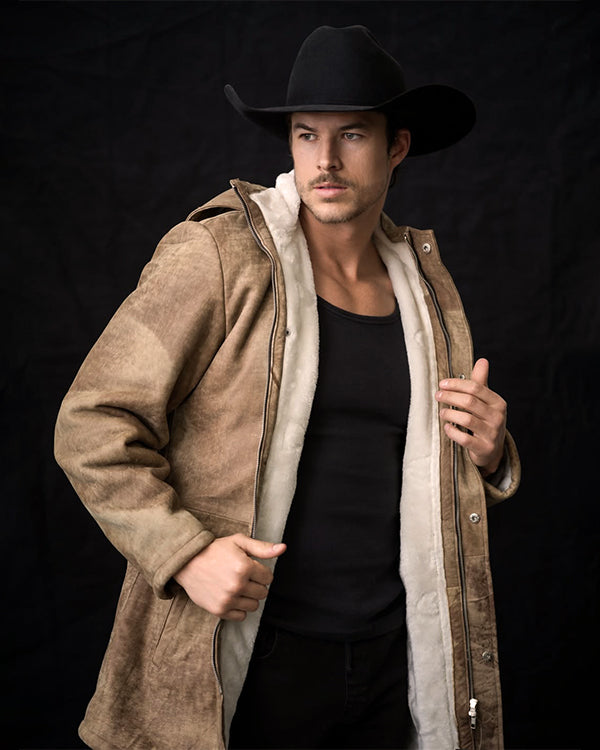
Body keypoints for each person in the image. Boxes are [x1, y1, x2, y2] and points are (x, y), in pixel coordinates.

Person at [55, 25, 520, 750]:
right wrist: (184, 554)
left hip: (397, 658)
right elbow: (91, 422)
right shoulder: (221, 256)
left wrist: (490, 454)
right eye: (307, 135)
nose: (325, 160)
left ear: (397, 146)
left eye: (352, 136)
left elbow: (417, 463)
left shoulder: (424, 285)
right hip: (253, 657)